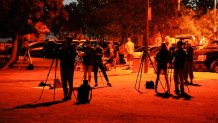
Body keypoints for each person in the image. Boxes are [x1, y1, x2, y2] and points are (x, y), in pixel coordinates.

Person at [59, 36, 77, 101]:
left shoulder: (72, 49)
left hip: (69, 67)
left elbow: (73, 56)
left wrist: (66, 50)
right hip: (63, 66)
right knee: (63, 82)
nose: (66, 42)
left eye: (67, 41)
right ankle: (65, 94)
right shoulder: (63, 48)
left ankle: (69, 95)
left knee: (70, 81)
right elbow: (60, 56)